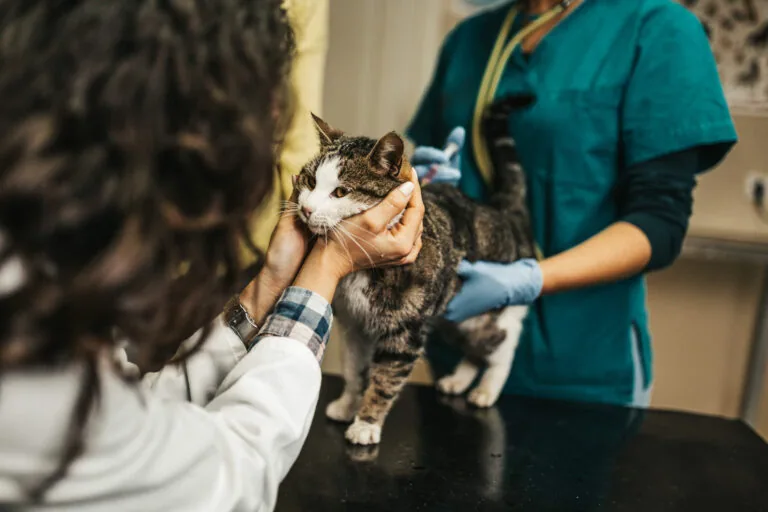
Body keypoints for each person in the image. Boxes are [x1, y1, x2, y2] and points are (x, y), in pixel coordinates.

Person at [0, 1, 423, 510]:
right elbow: (225, 479)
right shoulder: (28, 349)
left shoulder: (40, 258)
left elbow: (130, 417)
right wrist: (324, 272)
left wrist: (272, 283)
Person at [408, 0, 736, 406]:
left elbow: (660, 223)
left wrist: (529, 279)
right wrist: (419, 187)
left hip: (580, 366)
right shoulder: (468, 40)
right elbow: (433, 166)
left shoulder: (656, 29)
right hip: (455, 351)